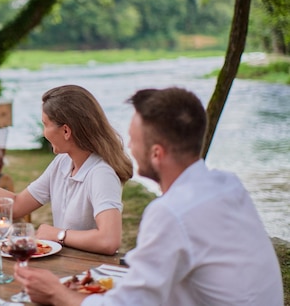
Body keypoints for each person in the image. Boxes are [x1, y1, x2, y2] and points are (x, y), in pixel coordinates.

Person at [15, 87, 284, 306]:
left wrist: (56, 293)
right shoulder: (228, 185)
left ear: (156, 153)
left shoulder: (170, 212)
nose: (128, 146)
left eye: (134, 139)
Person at [0, 85, 133, 255]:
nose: (44, 132)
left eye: (46, 124)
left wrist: (58, 234)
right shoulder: (63, 163)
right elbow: (16, 206)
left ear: (66, 131)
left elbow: (109, 240)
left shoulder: (101, 173)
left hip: (91, 273)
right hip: (66, 264)